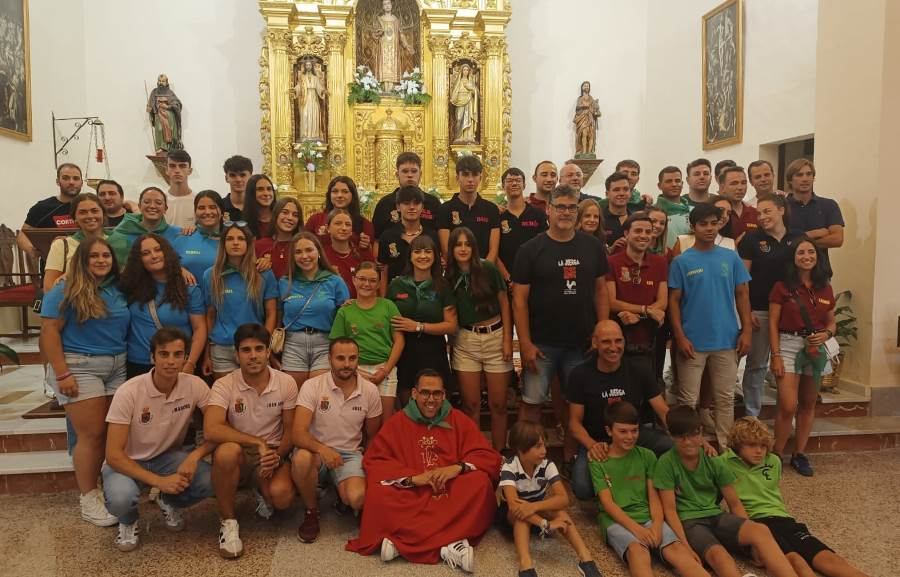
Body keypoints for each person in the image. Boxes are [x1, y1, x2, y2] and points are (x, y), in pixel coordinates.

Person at [347, 369, 501, 572]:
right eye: (425, 393)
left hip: (449, 487)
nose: (431, 399)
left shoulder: (458, 419)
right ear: (414, 393)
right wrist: (413, 479)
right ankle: (451, 544)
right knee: (378, 494)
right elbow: (375, 460)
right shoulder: (397, 422)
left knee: (479, 484)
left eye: (437, 393)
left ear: (444, 395)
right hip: (414, 490)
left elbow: (487, 455)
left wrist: (456, 468)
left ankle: (402, 544)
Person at [39, 237, 129, 526]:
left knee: (110, 433)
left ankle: (106, 488)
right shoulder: (64, 289)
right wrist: (62, 373)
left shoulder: (117, 288)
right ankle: (88, 498)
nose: (101, 260)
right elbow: (49, 333)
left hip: (117, 365)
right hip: (80, 366)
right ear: (82, 260)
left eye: (106, 255)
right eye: (94, 256)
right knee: (90, 436)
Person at [103, 328, 215, 552]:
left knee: (212, 479)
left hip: (167, 457)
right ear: (152, 357)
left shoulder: (195, 385)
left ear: (185, 357)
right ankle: (128, 521)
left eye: (178, 354)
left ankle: (169, 501)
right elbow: (113, 454)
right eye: (164, 354)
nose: (171, 361)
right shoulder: (129, 391)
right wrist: (159, 481)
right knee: (121, 499)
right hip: (126, 461)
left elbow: (218, 429)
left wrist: (194, 456)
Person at [654, 406, 800, 577]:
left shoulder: (713, 460)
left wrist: (753, 545)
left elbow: (735, 503)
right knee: (720, 557)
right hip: (690, 521)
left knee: (760, 530)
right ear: (670, 435)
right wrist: (684, 546)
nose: (688, 442)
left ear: (701, 433)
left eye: (693, 435)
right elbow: (670, 511)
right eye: (681, 436)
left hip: (716, 515)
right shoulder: (665, 463)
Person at [723, 418, 870, 577]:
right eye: (752, 445)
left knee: (829, 559)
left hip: (784, 519)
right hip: (756, 523)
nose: (759, 451)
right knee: (795, 560)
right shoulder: (722, 463)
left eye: (763, 446)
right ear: (737, 446)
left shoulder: (773, 461)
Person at [513, 185, 609, 426]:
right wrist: (525, 343)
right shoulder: (530, 250)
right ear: (549, 209)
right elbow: (519, 300)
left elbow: (601, 291)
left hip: (581, 343)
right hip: (541, 343)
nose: (566, 213)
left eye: (571, 208)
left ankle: (570, 460)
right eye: (560, 207)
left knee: (575, 405)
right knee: (531, 403)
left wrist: (602, 331)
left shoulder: (593, 246)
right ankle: (528, 460)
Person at [205, 323, 298, 558]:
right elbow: (211, 428)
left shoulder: (285, 382)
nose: (253, 356)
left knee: (283, 497)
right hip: (240, 453)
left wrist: (277, 456)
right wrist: (256, 442)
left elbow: (290, 430)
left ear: (269, 352)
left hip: (272, 453)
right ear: (236, 355)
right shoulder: (224, 383)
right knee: (226, 452)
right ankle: (228, 522)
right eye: (246, 350)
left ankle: (260, 488)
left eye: (259, 349)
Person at [591, 402, 710, 577]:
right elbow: (608, 504)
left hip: (647, 515)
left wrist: (656, 525)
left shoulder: (647, 456)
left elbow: (654, 498)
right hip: (616, 520)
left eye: (634, 430)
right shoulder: (598, 461)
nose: (630, 436)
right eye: (623, 431)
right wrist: (637, 530)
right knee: (638, 552)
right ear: (609, 431)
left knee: (676, 549)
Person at [668, 204, 751, 450]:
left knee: (725, 399)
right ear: (693, 227)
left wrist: (746, 330)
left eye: (713, 223)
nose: (709, 228)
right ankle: (688, 447)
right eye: (703, 224)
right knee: (687, 401)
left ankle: (727, 450)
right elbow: (673, 302)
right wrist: (679, 337)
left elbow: (742, 294)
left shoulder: (730, 258)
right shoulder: (682, 262)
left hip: (726, 340)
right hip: (692, 341)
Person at [567, 321, 674, 500]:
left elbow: (663, 410)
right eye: (606, 342)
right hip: (598, 440)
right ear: (595, 343)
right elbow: (574, 423)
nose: (613, 347)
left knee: (669, 446)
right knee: (583, 489)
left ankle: (653, 485)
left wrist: (687, 434)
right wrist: (591, 445)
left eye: (618, 341)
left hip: (633, 434)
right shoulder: (580, 374)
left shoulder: (639, 369)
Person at [292, 337, 383, 543]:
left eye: (352, 358)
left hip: (350, 455)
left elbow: (372, 435)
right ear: (329, 359)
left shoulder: (370, 390)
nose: (347, 364)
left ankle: (343, 499)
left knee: (357, 498)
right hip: (316, 452)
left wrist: (369, 468)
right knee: (301, 460)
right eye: (340, 358)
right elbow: (297, 434)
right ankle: (311, 512)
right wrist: (323, 449)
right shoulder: (312, 386)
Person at [769, 238, 836, 477]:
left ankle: (799, 453)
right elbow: (773, 324)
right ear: (793, 258)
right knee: (788, 405)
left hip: (815, 349)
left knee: (808, 401)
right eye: (801, 252)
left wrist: (827, 333)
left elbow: (831, 322)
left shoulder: (825, 287)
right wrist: (775, 355)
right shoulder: (782, 287)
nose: (806, 256)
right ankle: (776, 454)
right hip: (788, 344)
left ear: (817, 256)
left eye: (811, 252)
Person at [500, 420, 602, 577]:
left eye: (544, 445)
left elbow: (563, 499)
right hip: (514, 518)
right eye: (538, 446)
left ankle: (586, 558)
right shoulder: (509, 467)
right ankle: (525, 564)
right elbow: (514, 506)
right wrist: (546, 524)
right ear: (521, 450)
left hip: (535, 508)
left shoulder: (547, 465)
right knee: (521, 516)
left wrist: (534, 507)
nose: (544, 451)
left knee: (561, 514)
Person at [446, 227, 513, 451]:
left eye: (467, 244)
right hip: (466, 340)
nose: (463, 249)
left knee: (499, 404)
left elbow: (505, 303)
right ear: (451, 249)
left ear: (474, 247)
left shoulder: (488, 268)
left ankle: (500, 453)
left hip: (495, 336)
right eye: (458, 245)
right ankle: (475, 452)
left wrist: (506, 341)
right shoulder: (449, 276)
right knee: (471, 404)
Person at [737, 194, 802, 417]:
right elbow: (742, 280)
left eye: (767, 211)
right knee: (757, 365)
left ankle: (786, 413)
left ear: (781, 210)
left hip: (791, 312)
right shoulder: (751, 240)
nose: (762, 217)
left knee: (788, 365)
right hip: (760, 310)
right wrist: (747, 312)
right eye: (759, 213)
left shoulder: (799, 239)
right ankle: (752, 414)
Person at [120, 234, 206, 378]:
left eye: (158, 250)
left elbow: (200, 329)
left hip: (177, 364)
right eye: (145, 253)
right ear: (139, 260)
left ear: (167, 252)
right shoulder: (130, 285)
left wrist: (190, 363)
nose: (154, 256)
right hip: (138, 363)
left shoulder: (188, 288)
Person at [202, 221, 278, 380]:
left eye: (241, 239)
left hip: (254, 347)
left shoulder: (263, 273)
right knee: (228, 400)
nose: (235, 243)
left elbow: (271, 313)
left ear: (249, 243)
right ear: (223, 244)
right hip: (222, 347)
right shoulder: (211, 275)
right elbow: (210, 315)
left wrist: (265, 345)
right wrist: (207, 354)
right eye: (230, 239)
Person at [386, 234, 457, 402]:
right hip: (403, 353)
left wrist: (418, 326)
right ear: (410, 256)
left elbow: (451, 326)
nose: (423, 256)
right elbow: (383, 313)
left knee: (434, 404)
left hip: (433, 352)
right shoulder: (396, 285)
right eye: (417, 252)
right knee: (407, 406)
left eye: (428, 252)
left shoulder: (443, 285)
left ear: (435, 256)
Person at [330, 261, 404, 420]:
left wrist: (385, 370)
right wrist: (356, 371)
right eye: (362, 279)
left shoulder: (388, 306)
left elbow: (399, 341)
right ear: (354, 280)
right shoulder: (345, 311)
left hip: (385, 368)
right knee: (356, 420)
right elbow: (336, 347)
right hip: (354, 370)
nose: (366, 284)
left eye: (372, 280)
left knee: (385, 421)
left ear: (378, 284)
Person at [278, 231, 349, 387]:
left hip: (325, 343)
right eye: (298, 252)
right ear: (293, 257)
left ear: (318, 252)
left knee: (320, 395)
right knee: (293, 395)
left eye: (309, 250)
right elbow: (277, 314)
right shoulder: (285, 282)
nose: (304, 256)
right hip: (293, 344)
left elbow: (345, 316)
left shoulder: (335, 281)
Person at [606, 213, 668, 371]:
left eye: (648, 232)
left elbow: (663, 301)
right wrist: (646, 310)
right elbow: (611, 302)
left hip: (650, 339)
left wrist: (641, 315)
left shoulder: (660, 262)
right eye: (638, 231)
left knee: (649, 388)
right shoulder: (611, 262)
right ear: (626, 234)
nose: (644, 236)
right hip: (619, 336)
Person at [783, 159, 844, 279]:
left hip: (821, 275)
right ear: (790, 180)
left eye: (809, 174)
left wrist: (799, 244)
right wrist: (815, 233)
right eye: (799, 175)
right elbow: (780, 242)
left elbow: (837, 239)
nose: (805, 179)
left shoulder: (829, 205)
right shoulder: (781, 207)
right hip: (788, 275)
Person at [376, 184, 442, 291]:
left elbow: (437, 270)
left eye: (416, 203)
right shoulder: (387, 236)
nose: (412, 207)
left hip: (427, 295)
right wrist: (385, 300)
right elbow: (384, 272)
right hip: (396, 295)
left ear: (422, 207)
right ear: (398, 207)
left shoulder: (432, 236)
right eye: (406, 203)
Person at [438, 155, 500, 262]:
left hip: (483, 272)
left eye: (475, 175)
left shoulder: (491, 209)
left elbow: (493, 250)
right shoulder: (445, 209)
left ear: (480, 178)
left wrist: (483, 270)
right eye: (466, 175)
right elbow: (446, 249)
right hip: (455, 272)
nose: (470, 179)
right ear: (457, 177)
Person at [17, 163, 82, 262]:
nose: (71, 182)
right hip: (52, 268)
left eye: (76, 178)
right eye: (66, 178)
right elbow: (23, 235)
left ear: (81, 182)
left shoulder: (90, 206)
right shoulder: (41, 208)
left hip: (85, 267)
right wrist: (32, 250)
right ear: (57, 181)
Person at [43, 192, 107, 292]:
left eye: (95, 211)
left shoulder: (116, 241)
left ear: (103, 213)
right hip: (73, 302)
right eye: (83, 212)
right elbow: (48, 288)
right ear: (75, 218)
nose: (90, 216)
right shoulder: (61, 245)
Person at [372, 152, 441, 239]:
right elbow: (376, 240)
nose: (410, 175)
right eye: (405, 171)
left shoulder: (433, 203)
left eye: (414, 171)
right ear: (397, 175)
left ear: (420, 174)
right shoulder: (384, 204)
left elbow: (440, 237)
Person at [107, 186, 182, 266]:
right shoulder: (122, 233)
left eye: (158, 203)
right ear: (139, 206)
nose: (152, 206)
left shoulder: (178, 234)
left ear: (165, 208)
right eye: (147, 202)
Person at [497, 167, 548, 283]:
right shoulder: (498, 217)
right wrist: (507, 277)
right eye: (509, 181)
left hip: (535, 278)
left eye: (518, 180)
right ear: (503, 186)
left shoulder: (538, 214)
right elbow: (494, 250)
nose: (514, 183)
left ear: (524, 185)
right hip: (507, 279)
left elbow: (545, 246)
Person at [305, 175, 374, 251]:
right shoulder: (315, 219)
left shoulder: (365, 224)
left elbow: (369, 256)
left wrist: (366, 246)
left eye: (345, 192)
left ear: (353, 195)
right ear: (329, 195)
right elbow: (303, 244)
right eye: (335, 191)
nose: (339, 195)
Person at [172, 190, 224, 282]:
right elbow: (166, 265)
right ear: (195, 212)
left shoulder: (231, 240)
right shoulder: (183, 238)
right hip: (189, 295)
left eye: (212, 207)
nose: (207, 212)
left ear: (222, 211)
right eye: (201, 208)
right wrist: (178, 269)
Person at [323, 208, 374, 297]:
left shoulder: (363, 253)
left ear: (351, 230)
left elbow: (374, 282)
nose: (344, 228)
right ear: (328, 228)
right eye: (338, 223)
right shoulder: (322, 256)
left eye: (348, 224)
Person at [255, 196, 304, 279]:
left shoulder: (303, 246)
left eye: (295, 215)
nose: (290, 218)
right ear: (276, 215)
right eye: (285, 212)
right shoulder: (259, 245)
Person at [654, 165, 691, 249]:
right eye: (669, 181)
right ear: (659, 185)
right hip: (662, 258)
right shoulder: (651, 212)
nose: (674, 184)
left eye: (677, 181)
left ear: (682, 184)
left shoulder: (692, 211)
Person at [718, 166, 758, 239]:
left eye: (743, 183)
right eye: (734, 183)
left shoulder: (755, 213)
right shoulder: (715, 213)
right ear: (722, 187)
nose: (740, 187)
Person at [164, 149, 196, 229]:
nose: (177, 170)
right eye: (172, 166)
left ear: (190, 170)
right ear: (166, 170)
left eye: (182, 166)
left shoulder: (198, 200)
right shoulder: (160, 201)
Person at [603, 171, 634, 251]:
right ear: (607, 194)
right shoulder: (599, 219)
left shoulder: (635, 220)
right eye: (616, 190)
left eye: (625, 189)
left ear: (630, 193)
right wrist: (610, 250)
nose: (622, 193)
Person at [243, 173, 277, 240]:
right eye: (260, 189)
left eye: (269, 189)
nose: (266, 193)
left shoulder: (281, 219)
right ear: (251, 193)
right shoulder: (244, 224)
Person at [221, 155, 253, 222]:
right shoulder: (219, 206)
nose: (238, 179)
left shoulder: (258, 206)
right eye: (233, 175)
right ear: (226, 178)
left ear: (251, 177)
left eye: (242, 175)